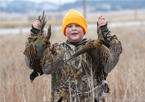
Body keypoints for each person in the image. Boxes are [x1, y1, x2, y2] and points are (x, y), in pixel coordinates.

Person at [25, 9, 122, 102]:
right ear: (64, 31)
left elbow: (115, 48)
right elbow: (34, 59)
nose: (74, 28)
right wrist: (34, 32)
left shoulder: (95, 47)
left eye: (77, 25)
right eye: (69, 26)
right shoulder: (56, 49)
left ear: (84, 29)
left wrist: (104, 30)